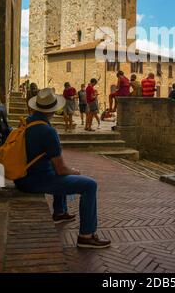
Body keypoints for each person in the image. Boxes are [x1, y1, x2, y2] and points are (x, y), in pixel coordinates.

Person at [14, 88, 110, 249]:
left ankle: (60, 212)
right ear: (52, 110)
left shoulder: (28, 121)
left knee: (58, 174)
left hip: (22, 177)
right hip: (35, 181)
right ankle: (86, 236)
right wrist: (74, 171)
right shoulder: (48, 131)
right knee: (89, 185)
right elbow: (61, 169)